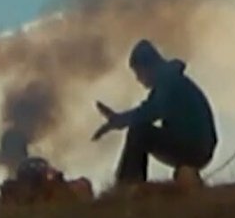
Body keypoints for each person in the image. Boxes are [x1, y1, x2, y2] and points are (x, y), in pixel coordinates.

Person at [92, 39, 218, 184]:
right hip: (200, 147)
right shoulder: (169, 80)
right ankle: (186, 178)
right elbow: (149, 109)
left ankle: (127, 185)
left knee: (139, 132)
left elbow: (150, 112)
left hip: (194, 147)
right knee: (140, 129)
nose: (138, 79)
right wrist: (119, 120)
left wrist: (119, 120)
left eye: (138, 72)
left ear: (148, 66)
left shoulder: (168, 80)